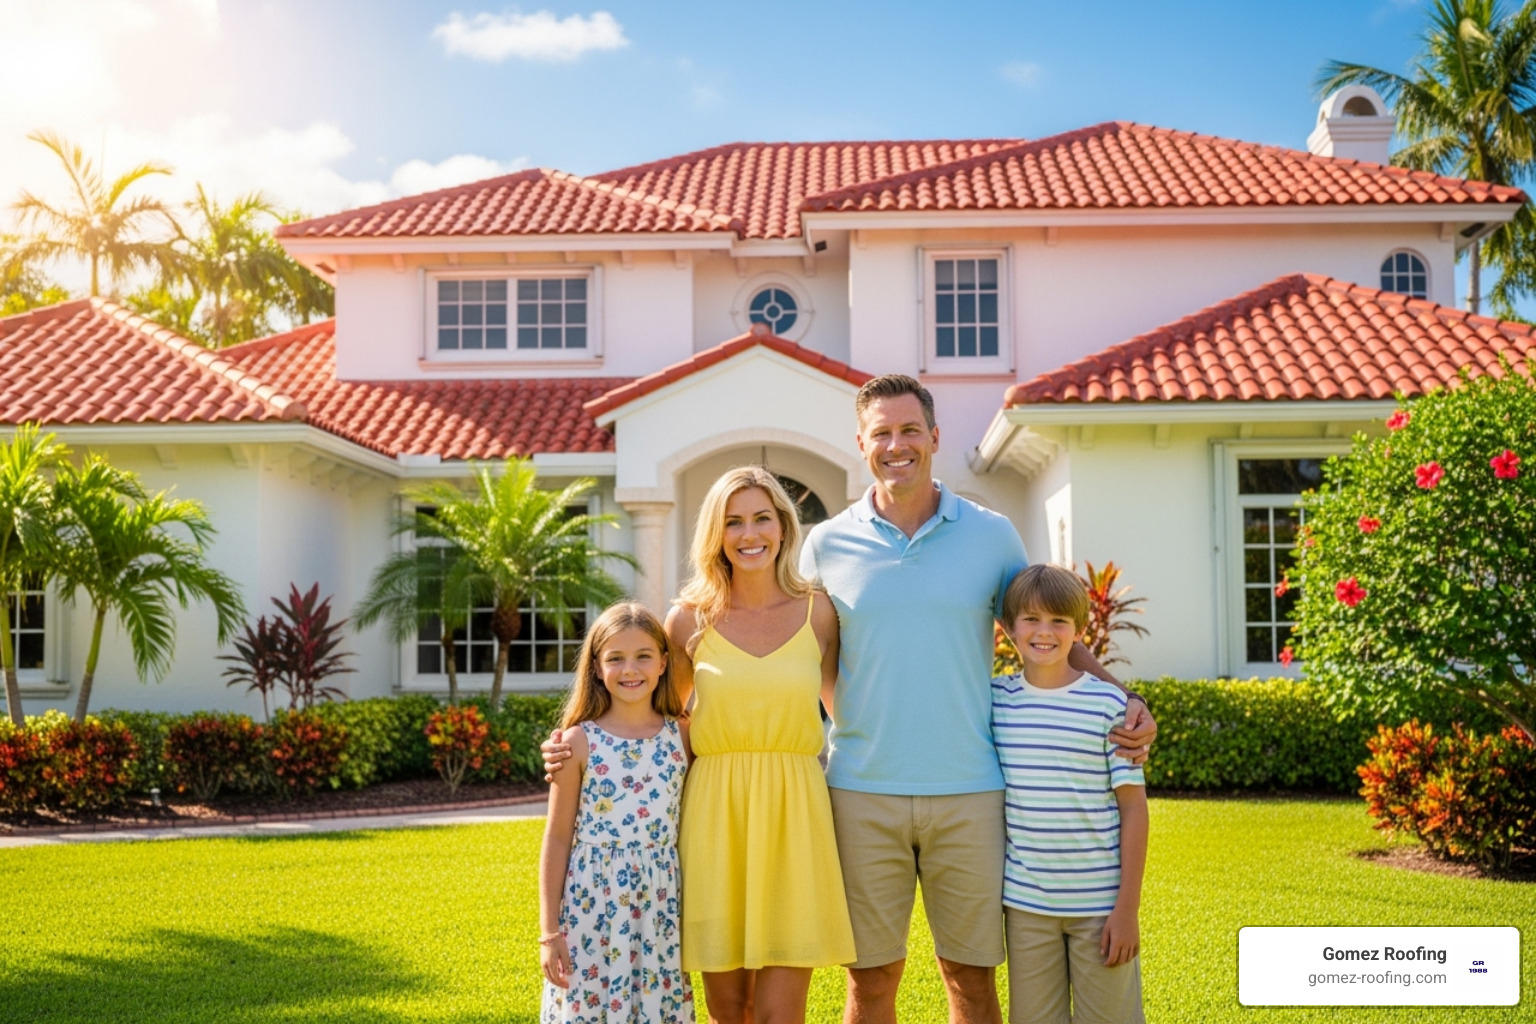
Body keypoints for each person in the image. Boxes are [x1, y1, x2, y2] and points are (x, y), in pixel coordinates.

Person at [798, 374, 1156, 1024]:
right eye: (882, 432)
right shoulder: (825, 544)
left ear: (935, 437)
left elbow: (1047, 632)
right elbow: (813, 662)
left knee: (969, 976)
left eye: (910, 430)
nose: (896, 444)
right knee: (870, 981)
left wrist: (1125, 699)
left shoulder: (991, 536)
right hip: (860, 793)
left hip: (969, 792)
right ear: (861, 443)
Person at [667, 466, 856, 1024]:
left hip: (795, 814)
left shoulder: (818, 612)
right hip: (713, 815)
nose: (750, 534)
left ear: (783, 526)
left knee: (780, 1013)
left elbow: (845, 711)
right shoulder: (687, 621)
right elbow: (661, 721)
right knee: (730, 1011)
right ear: (716, 534)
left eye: (762, 519)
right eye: (733, 522)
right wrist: (578, 743)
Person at [992, 564, 1147, 1024]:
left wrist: (1127, 909)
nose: (1044, 632)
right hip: (1026, 909)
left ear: (1079, 631)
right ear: (1009, 630)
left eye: (1059, 621)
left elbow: (1134, 811)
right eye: (1031, 620)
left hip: (1101, 909)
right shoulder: (994, 701)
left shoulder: (1109, 706)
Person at [538, 602, 695, 1024]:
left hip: (659, 904)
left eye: (644, 656)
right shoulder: (578, 742)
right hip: (591, 904)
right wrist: (550, 932)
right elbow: (556, 837)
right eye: (616, 658)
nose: (631, 669)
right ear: (595, 667)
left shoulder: (682, 736)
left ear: (664, 662)